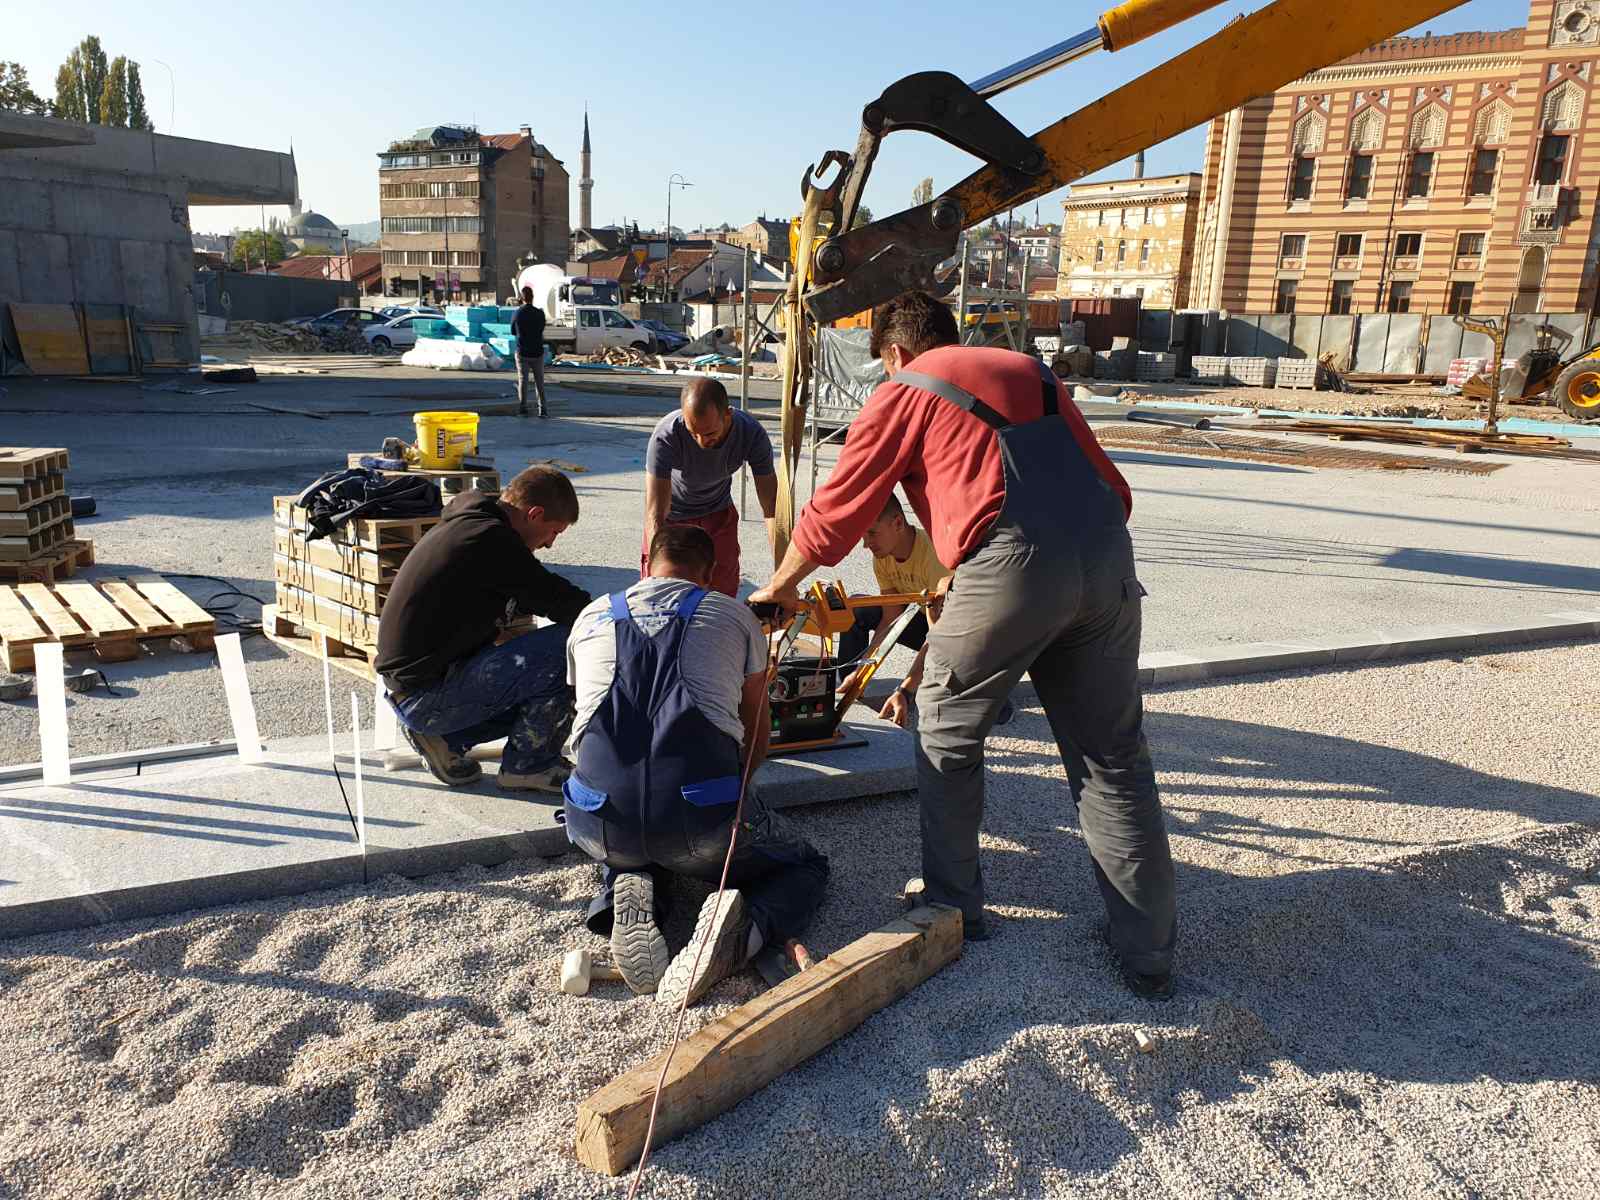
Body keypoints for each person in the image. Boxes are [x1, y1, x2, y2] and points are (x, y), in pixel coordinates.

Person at [750, 290, 1177, 999]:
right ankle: (1150, 953)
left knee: (945, 724)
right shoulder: (1030, 371)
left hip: (1010, 562)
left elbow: (841, 506)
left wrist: (783, 584)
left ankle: (954, 907)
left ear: (894, 353)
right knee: (1113, 758)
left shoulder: (907, 388)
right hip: (1108, 558)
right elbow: (1113, 487)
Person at [563, 525, 829, 1005]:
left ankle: (627, 884)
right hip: (699, 820)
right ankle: (743, 934)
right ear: (713, 575)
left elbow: (584, 718)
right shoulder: (732, 616)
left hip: (596, 820)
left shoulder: (591, 616)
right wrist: (741, 797)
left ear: (647, 566)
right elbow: (756, 729)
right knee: (806, 865)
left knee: (632, 842)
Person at [376, 466, 590, 792]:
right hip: (427, 697)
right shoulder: (490, 541)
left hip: (414, 690)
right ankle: (529, 765)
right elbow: (563, 602)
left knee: (541, 673)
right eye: (553, 532)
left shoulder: (473, 527)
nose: (549, 545)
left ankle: (444, 737)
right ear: (534, 514)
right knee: (571, 645)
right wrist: (621, 618)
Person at [836, 492, 1016, 730]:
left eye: (871, 533)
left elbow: (940, 634)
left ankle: (996, 698)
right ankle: (850, 687)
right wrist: (863, 670)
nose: (866, 544)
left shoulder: (934, 556)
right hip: (927, 620)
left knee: (968, 687)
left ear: (898, 523)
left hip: (968, 631)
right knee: (857, 608)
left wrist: (905, 689)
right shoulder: (882, 555)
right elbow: (891, 620)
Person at [643, 377, 777, 597]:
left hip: (718, 513)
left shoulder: (751, 433)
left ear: (728, 415)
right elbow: (655, 513)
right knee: (662, 594)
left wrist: (781, 573)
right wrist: (657, 574)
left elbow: (771, 507)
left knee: (721, 594)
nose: (701, 441)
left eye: (709, 434)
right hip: (672, 518)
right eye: (692, 432)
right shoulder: (666, 435)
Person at [511, 285, 548, 418]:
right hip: (537, 351)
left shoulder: (518, 313)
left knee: (523, 381)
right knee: (540, 382)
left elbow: (513, 331)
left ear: (522, 298)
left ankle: (523, 408)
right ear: (533, 297)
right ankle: (543, 410)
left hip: (523, 352)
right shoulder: (540, 313)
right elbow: (542, 328)